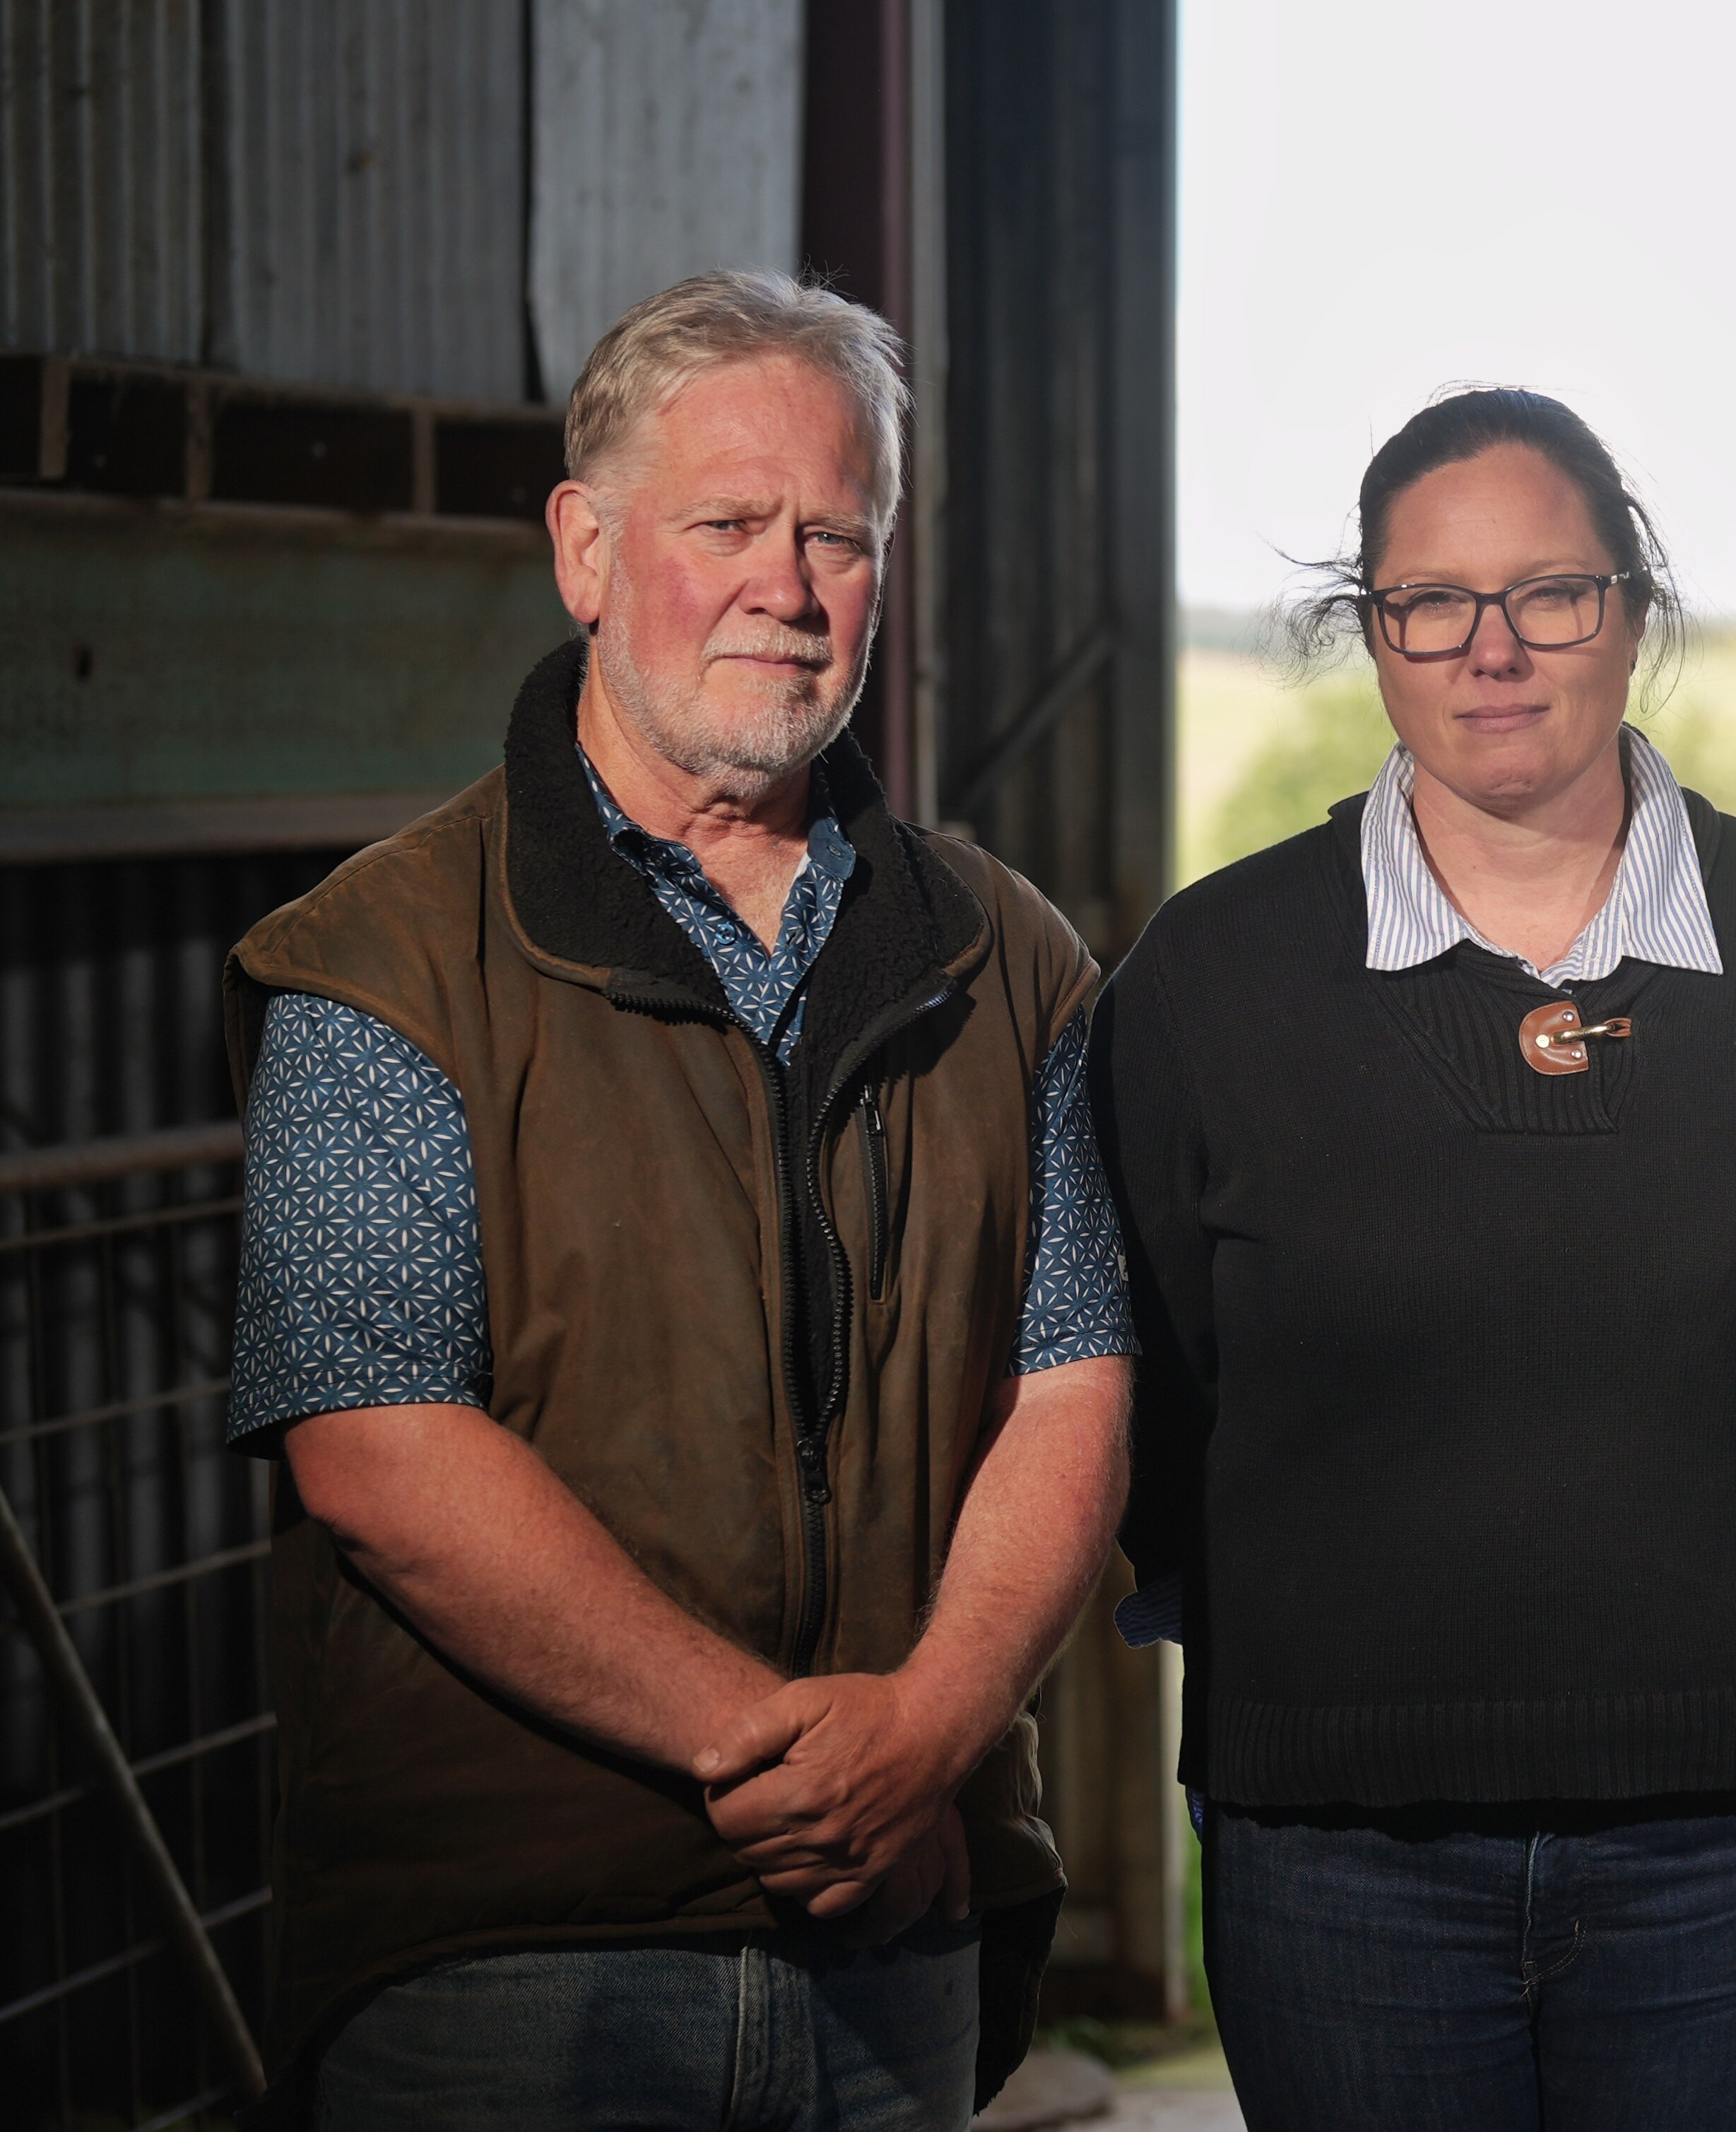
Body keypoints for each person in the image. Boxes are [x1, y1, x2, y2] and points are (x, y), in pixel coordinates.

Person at [221, 271, 1135, 2128]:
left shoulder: (1005, 955)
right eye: (723, 523)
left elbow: (1076, 1383)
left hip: (896, 1934)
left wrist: (929, 1736)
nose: (782, 587)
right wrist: (768, 1747)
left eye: (836, 534)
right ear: (584, 547)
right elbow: (376, 1444)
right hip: (505, 1954)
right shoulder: (388, 956)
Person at [1097, 387, 1736, 2132]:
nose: (1493, 650)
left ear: (1631, 612)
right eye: (1429, 604)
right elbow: (1153, 1384)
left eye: (1550, 594)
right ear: (1372, 633)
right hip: (1337, 1848)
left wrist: (1715, 1573)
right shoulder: (1214, 973)